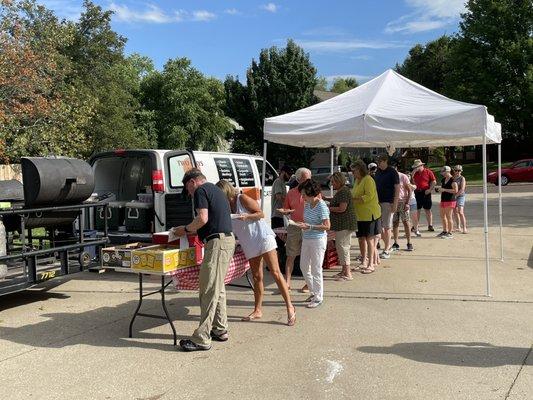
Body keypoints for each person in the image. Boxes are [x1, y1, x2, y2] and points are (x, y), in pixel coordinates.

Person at [216, 180, 296, 326]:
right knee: (257, 276)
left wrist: (246, 217)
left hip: (263, 237)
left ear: (226, 192)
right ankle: (257, 310)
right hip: (248, 242)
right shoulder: (225, 206)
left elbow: (260, 214)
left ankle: (290, 307)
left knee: (275, 272)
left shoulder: (242, 198)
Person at [173, 168, 235, 352]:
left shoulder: (201, 190)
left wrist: (182, 229)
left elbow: (202, 218)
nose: (190, 193)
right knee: (218, 288)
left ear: (192, 182)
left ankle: (202, 338)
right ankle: (220, 328)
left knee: (208, 289)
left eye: (188, 189)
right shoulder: (215, 189)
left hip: (217, 243)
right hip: (226, 241)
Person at [295, 179, 330, 308]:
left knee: (316, 268)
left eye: (303, 194)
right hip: (307, 238)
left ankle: (318, 297)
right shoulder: (308, 204)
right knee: (304, 266)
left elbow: (327, 226)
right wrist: (303, 225)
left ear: (310, 193)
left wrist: (309, 227)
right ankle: (313, 292)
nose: (302, 197)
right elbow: (308, 222)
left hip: (318, 239)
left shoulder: (321, 205)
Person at [278, 167, 312, 292]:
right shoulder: (291, 192)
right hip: (294, 226)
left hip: (309, 226)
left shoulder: (314, 191)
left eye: (309, 178)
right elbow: (286, 209)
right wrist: (285, 211)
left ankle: (308, 283)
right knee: (290, 255)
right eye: (305, 179)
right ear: (298, 179)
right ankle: (287, 282)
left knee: (308, 256)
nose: (308, 181)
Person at [351, 160, 382, 274]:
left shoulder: (368, 179)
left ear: (360, 170)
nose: (352, 173)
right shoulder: (357, 180)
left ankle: (371, 264)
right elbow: (354, 194)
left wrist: (353, 200)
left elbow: (369, 196)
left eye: (354, 170)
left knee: (370, 239)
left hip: (370, 214)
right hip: (359, 215)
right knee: (361, 239)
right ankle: (364, 261)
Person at [328, 171, 357, 281]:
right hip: (342, 224)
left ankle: (348, 273)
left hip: (344, 224)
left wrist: (328, 208)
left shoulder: (343, 191)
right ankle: (344, 271)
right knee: (341, 247)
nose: (332, 184)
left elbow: (342, 208)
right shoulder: (341, 191)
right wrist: (327, 200)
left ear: (339, 181)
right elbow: (338, 202)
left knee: (343, 247)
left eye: (333, 182)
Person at [374, 154, 400, 259]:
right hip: (378, 202)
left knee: (387, 226)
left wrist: (395, 203)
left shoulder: (392, 172)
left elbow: (397, 188)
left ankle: (387, 249)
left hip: (388, 202)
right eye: (377, 162)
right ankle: (386, 246)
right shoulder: (378, 172)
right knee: (380, 227)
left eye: (380, 162)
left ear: (385, 161)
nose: (378, 164)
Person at [391, 163, 413, 252]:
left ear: (396, 168)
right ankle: (395, 242)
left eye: (393, 168)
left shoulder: (403, 176)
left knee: (406, 222)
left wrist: (407, 203)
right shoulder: (389, 177)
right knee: (395, 223)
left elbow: (409, 190)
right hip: (393, 202)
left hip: (403, 202)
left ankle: (409, 242)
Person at [411, 159, 437, 234]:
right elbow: (410, 181)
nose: (416, 168)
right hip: (417, 192)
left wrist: (430, 189)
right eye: (415, 167)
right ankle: (416, 226)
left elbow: (434, 181)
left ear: (421, 165)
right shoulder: (414, 173)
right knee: (417, 210)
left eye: (417, 166)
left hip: (426, 192)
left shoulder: (428, 171)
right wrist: (413, 174)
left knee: (427, 209)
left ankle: (430, 225)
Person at [437, 166, 458, 239]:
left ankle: (450, 232)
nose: (442, 173)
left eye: (443, 172)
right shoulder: (443, 180)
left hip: (450, 200)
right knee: (442, 216)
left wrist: (444, 190)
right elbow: (443, 188)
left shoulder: (453, 180)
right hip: (443, 200)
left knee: (449, 217)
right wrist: (440, 189)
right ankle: (444, 231)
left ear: (447, 171)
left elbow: (455, 190)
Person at [453, 165, 468, 234]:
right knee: (455, 212)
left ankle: (464, 228)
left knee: (461, 212)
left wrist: (456, 195)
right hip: (453, 196)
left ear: (461, 171)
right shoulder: (452, 178)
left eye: (459, 170)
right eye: (456, 170)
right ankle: (458, 227)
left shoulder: (462, 178)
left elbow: (462, 189)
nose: (457, 172)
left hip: (460, 196)